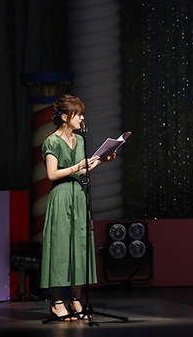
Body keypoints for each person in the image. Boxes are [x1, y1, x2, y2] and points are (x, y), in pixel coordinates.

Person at [40, 94, 115, 320]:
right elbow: (52, 174)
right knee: (60, 248)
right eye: (78, 114)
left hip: (78, 196)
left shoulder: (80, 140)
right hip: (61, 196)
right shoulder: (52, 141)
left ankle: (76, 299)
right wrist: (76, 166)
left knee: (79, 247)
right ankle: (57, 302)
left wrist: (101, 160)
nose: (82, 118)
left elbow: (82, 170)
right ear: (65, 117)